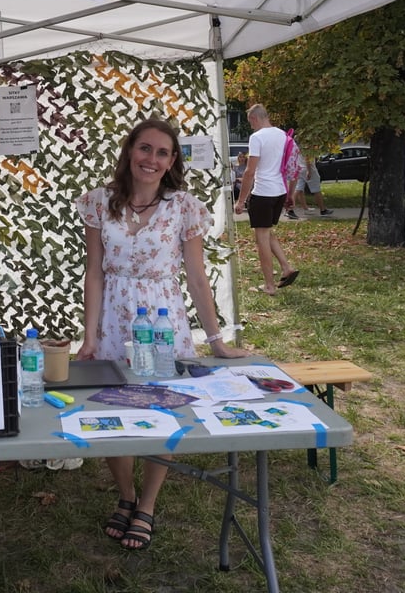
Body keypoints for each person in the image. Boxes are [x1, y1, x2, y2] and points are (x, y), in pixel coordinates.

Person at [75, 118, 250, 551]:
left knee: (162, 411)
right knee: (112, 410)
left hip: (162, 319)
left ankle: (148, 503)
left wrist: (216, 340)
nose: (151, 159)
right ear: (130, 151)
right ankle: (126, 494)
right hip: (115, 317)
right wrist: (90, 336)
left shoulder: (183, 207)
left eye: (162, 153)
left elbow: (195, 276)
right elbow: (94, 273)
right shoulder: (99, 203)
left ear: (172, 161)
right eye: (145, 148)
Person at [232, 104, 298, 296]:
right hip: (279, 191)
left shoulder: (257, 138)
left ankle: (269, 285)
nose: (250, 126)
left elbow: (250, 171)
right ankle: (286, 268)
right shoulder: (282, 135)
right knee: (267, 232)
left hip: (263, 192)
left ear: (254, 118)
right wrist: (290, 193)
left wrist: (241, 201)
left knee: (261, 239)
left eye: (250, 122)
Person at [292, 151, 333, 216]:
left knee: (298, 190)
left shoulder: (299, 144)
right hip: (309, 169)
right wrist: (309, 170)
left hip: (300, 168)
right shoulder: (309, 145)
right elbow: (307, 157)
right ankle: (323, 210)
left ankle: (290, 209)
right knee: (316, 190)